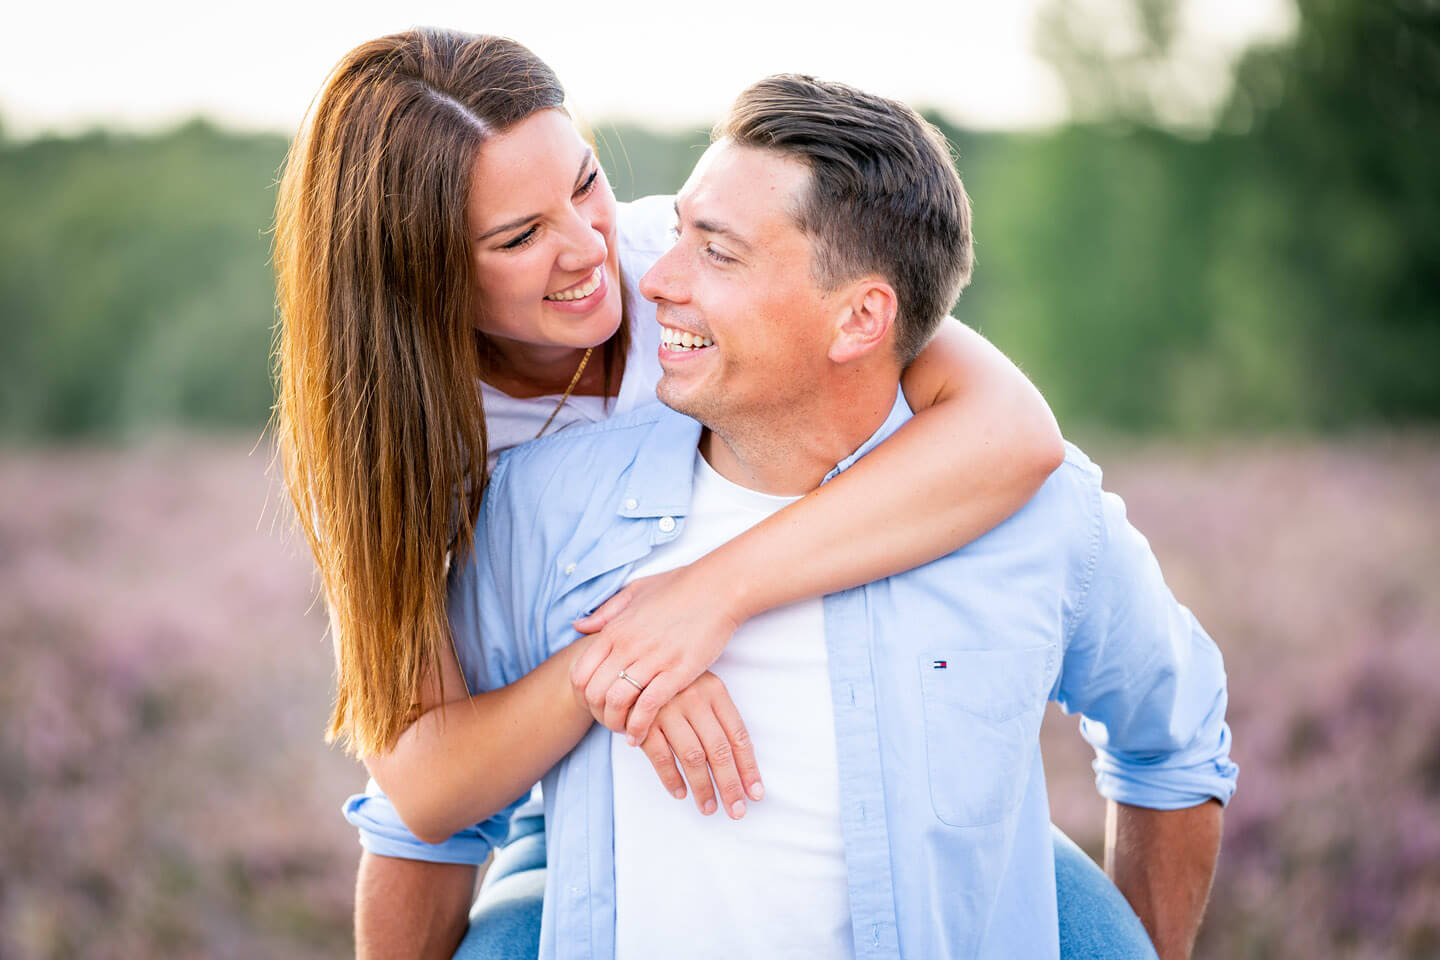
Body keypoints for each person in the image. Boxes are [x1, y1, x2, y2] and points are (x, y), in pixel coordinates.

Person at [362, 74, 1238, 960]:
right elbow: (422, 802)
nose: (633, 270)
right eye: (518, 236)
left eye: (589, 186)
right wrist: (612, 664)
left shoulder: (1030, 514)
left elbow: (1014, 430)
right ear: (430, 274)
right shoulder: (494, 492)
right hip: (564, 829)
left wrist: (711, 594)